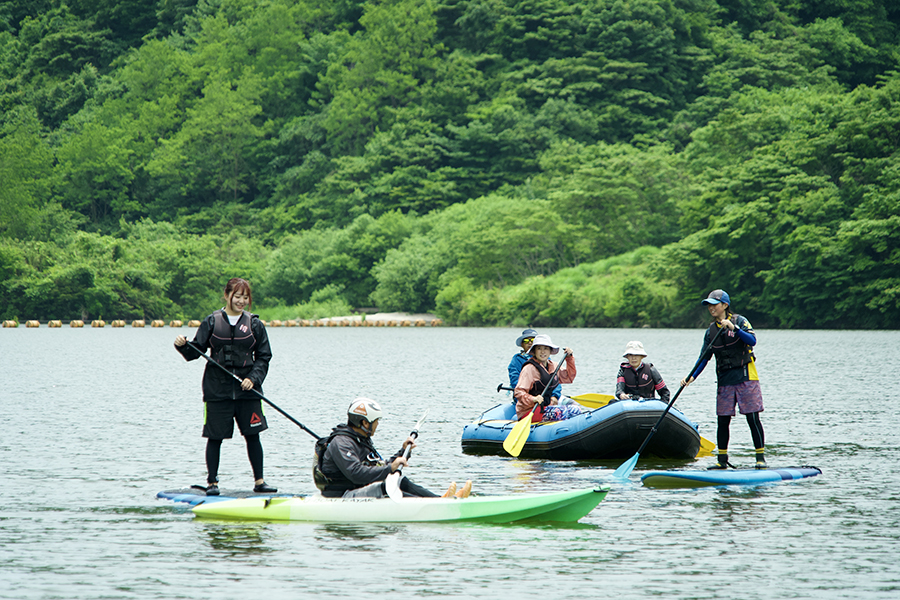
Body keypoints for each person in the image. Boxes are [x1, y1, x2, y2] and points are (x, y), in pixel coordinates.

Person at [174, 277, 277, 495]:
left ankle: (259, 482)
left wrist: (253, 378)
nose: (241, 301)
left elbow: (264, 357)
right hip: (217, 391)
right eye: (237, 296)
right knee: (215, 437)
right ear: (227, 295)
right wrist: (183, 347)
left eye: (245, 297)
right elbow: (195, 352)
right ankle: (212, 483)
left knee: (253, 435)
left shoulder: (255, 324)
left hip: (248, 391)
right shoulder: (211, 322)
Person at [314, 398, 472, 499]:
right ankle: (439, 505)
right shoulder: (342, 443)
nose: (377, 425)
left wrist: (402, 453)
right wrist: (391, 468)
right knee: (386, 487)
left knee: (399, 480)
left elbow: (378, 466)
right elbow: (356, 474)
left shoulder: (361, 440)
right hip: (343, 496)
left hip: (361, 490)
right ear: (364, 423)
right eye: (375, 421)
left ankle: (440, 500)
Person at [680, 289, 766, 469]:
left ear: (725, 305)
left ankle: (760, 458)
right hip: (725, 379)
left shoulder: (740, 321)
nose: (711, 308)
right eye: (709, 305)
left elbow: (752, 341)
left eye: (714, 304)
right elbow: (704, 357)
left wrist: (733, 328)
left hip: (746, 377)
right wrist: (691, 376)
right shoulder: (710, 331)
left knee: (752, 417)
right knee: (723, 420)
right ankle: (721, 461)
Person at [514, 334, 581, 422]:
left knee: (576, 409)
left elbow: (569, 377)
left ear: (550, 351)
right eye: (539, 349)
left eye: (545, 348)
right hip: (529, 411)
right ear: (534, 351)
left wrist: (569, 359)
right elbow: (518, 392)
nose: (542, 352)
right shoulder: (529, 368)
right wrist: (533, 399)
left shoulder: (553, 366)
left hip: (546, 406)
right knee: (562, 412)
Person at [508, 329, 561, 402]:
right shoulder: (517, 359)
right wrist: (533, 398)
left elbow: (555, 381)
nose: (530, 343)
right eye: (526, 341)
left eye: (532, 340)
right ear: (522, 344)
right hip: (527, 397)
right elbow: (515, 380)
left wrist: (554, 396)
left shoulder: (546, 358)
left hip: (546, 396)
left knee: (572, 405)